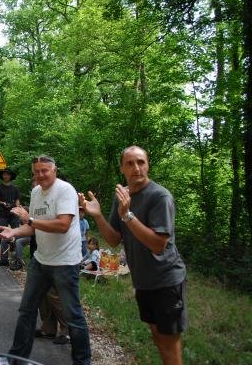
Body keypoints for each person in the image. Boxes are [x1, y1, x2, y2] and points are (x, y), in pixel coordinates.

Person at [79, 146, 187, 365]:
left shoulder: (160, 196)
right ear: (122, 168)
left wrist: (128, 215)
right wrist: (98, 216)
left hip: (166, 279)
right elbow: (113, 239)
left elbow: (158, 245)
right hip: (143, 280)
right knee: (158, 337)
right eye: (130, 163)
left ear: (148, 165)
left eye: (141, 162)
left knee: (169, 342)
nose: (136, 168)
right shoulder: (122, 197)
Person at [0, 155, 91, 365]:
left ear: (54, 170)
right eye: (36, 172)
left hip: (65, 263)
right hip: (41, 260)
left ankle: (83, 362)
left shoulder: (65, 190)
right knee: (26, 311)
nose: (40, 175)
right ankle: (16, 359)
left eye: (44, 171)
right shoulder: (36, 192)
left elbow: (63, 225)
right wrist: (14, 232)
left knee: (73, 316)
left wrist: (30, 220)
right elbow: (32, 227)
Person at [0, 168, 21, 267]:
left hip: (13, 214)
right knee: (4, 235)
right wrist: (2, 203)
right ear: (2, 176)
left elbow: (17, 200)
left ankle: (17, 259)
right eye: (4, 174)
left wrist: (18, 210)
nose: (6, 176)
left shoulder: (15, 188)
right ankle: (4, 259)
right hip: (2, 214)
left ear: (10, 176)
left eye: (8, 174)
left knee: (16, 235)